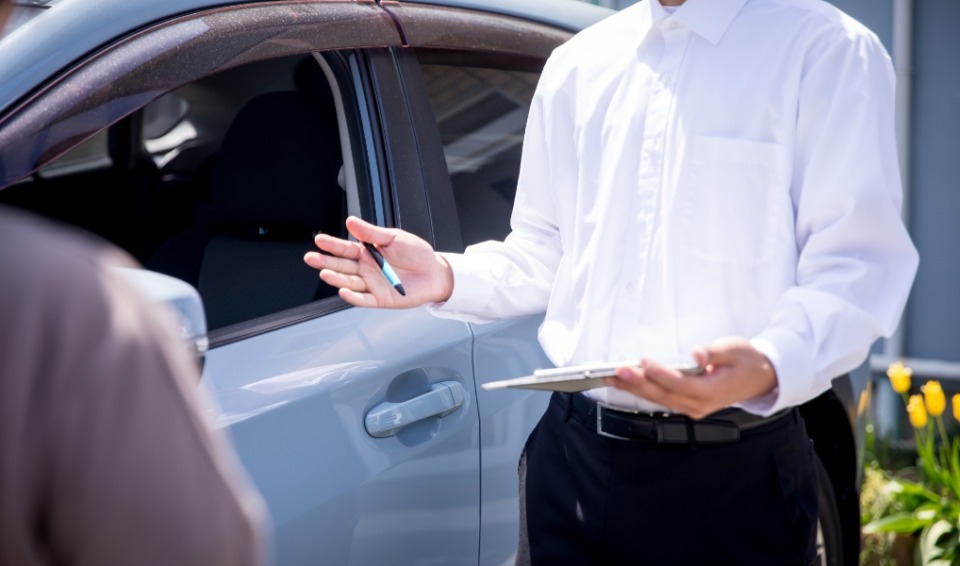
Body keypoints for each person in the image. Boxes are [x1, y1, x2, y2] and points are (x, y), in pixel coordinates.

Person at [304, 0, 919, 563]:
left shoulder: (826, 50)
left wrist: (765, 363)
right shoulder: (581, 63)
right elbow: (545, 252)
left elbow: (856, 270)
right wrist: (443, 274)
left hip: (732, 474)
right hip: (570, 462)